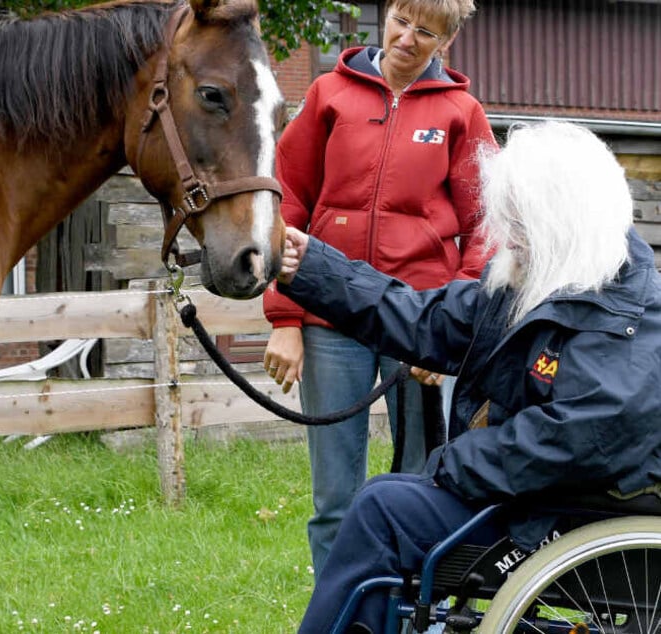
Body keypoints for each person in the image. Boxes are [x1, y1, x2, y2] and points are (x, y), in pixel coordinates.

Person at [275, 120, 661, 633]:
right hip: (536, 495)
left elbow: (579, 438)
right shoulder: (547, 278)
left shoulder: (624, 318)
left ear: (561, 219)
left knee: (383, 510)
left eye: (520, 221)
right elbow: (419, 317)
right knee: (388, 503)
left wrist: (453, 463)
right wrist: (310, 267)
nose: (509, 236)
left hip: (563, 512)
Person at [262, 0, 495, 579]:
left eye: (427, 32)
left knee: (422, 489)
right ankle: (341, 609)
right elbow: (288, 198)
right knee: (334, 500)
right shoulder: (328, 95)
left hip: (415, 324)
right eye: (401, 21)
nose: (408, 38)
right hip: (328, 322)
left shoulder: (461, 113)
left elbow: (485, 229)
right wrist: (286, 319)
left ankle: (414, 610)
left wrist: (452, 330)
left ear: (446, 43)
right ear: (386, 15)